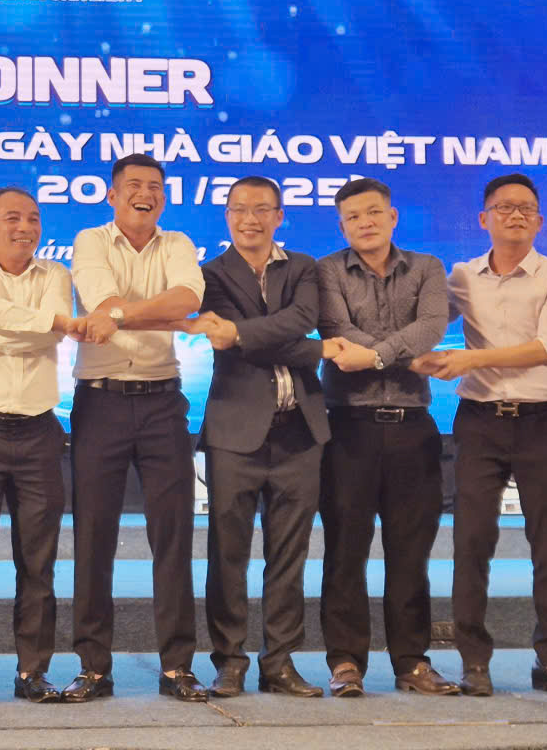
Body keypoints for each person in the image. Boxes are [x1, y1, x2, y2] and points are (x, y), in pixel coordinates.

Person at [413, 173, 547, 698]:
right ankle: (474, 662)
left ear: (539, 221)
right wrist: (407, 353)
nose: (515, 215)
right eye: (504, 207)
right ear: (483, 219)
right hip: (479, 422)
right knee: (471, 543)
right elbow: (428, 324)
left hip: (541, 423)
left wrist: (470, 359)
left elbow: (546, 349)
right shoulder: (461, 276)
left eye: (525, 208)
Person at [64, 153, 208, 703]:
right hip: (99, 403)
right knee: (93, 537)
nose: (144, 194)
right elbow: (101, 301)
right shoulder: (90, 241)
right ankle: (93, 668)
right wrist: (167, 317)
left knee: (173, 536)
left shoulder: (178, 244)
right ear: (112, 195)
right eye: (133, 186)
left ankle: (177, 667)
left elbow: (188, 299)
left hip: (163, 402)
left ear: (163, 197)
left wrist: (124, 316)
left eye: (154, 187)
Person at [193, 176, 335, 700]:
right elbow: (233, 343)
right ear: (226, 215)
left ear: (279, 215)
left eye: (260, 209)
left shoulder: (303, 267)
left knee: (289, 555)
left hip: (300, 431)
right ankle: (229, 661)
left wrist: (244, 332)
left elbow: (302, 318)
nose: (249, 219)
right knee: (227, 554)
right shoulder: (208, 274)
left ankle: (280, 662)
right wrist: (318, 351)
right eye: (238, 209)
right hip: (235, 431)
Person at [316, 177, 458, 698]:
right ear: (342, 226)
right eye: (353, 217)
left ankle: (412, 662)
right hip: (347, 428)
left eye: (373, 212)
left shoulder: (427, 267)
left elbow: (432, 325)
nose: (365, 223)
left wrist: (375, 357)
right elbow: (337, 329)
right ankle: (345, 663)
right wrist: (399, 356)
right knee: (344, 551)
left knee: (410, 553)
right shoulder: (327, 270)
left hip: (412, 428)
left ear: (392, 216)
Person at [0, 188, 86, 705]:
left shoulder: (55, 275)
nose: (24, 227)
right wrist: (47, 323)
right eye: (12, 218)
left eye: (33, 218)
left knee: (38, 561)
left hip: (38, 432)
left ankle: (33, 671)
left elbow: (49, 336)